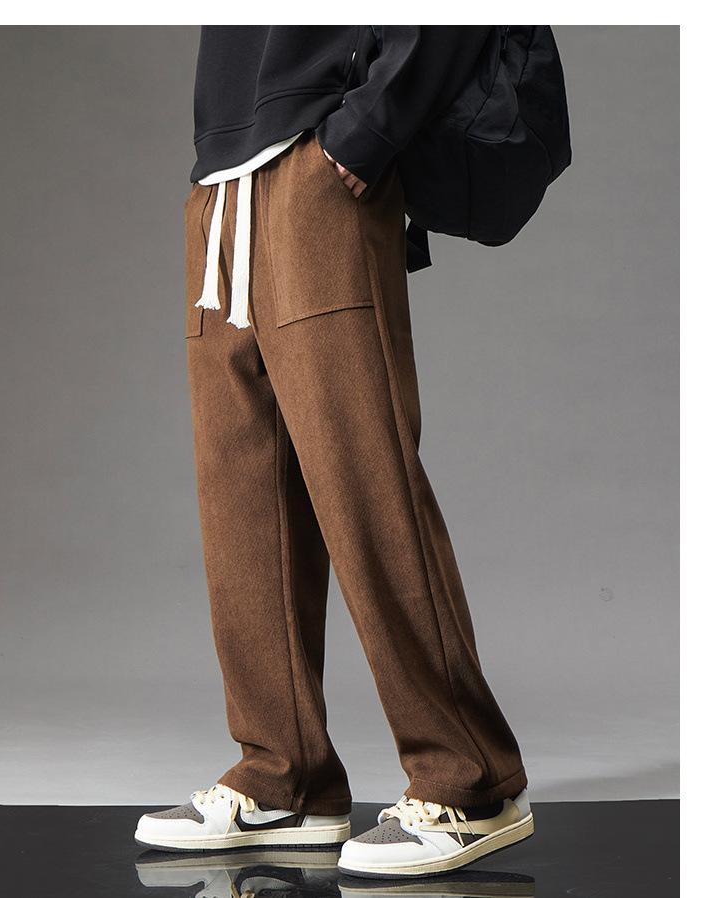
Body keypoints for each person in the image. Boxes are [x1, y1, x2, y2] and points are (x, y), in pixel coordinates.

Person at [135, 25, 533, 878]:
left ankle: (471, 780)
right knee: (240, 499)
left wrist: (372, 125)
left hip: (319, 164)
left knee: (366, 484)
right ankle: (286, 774)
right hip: (221, 183)